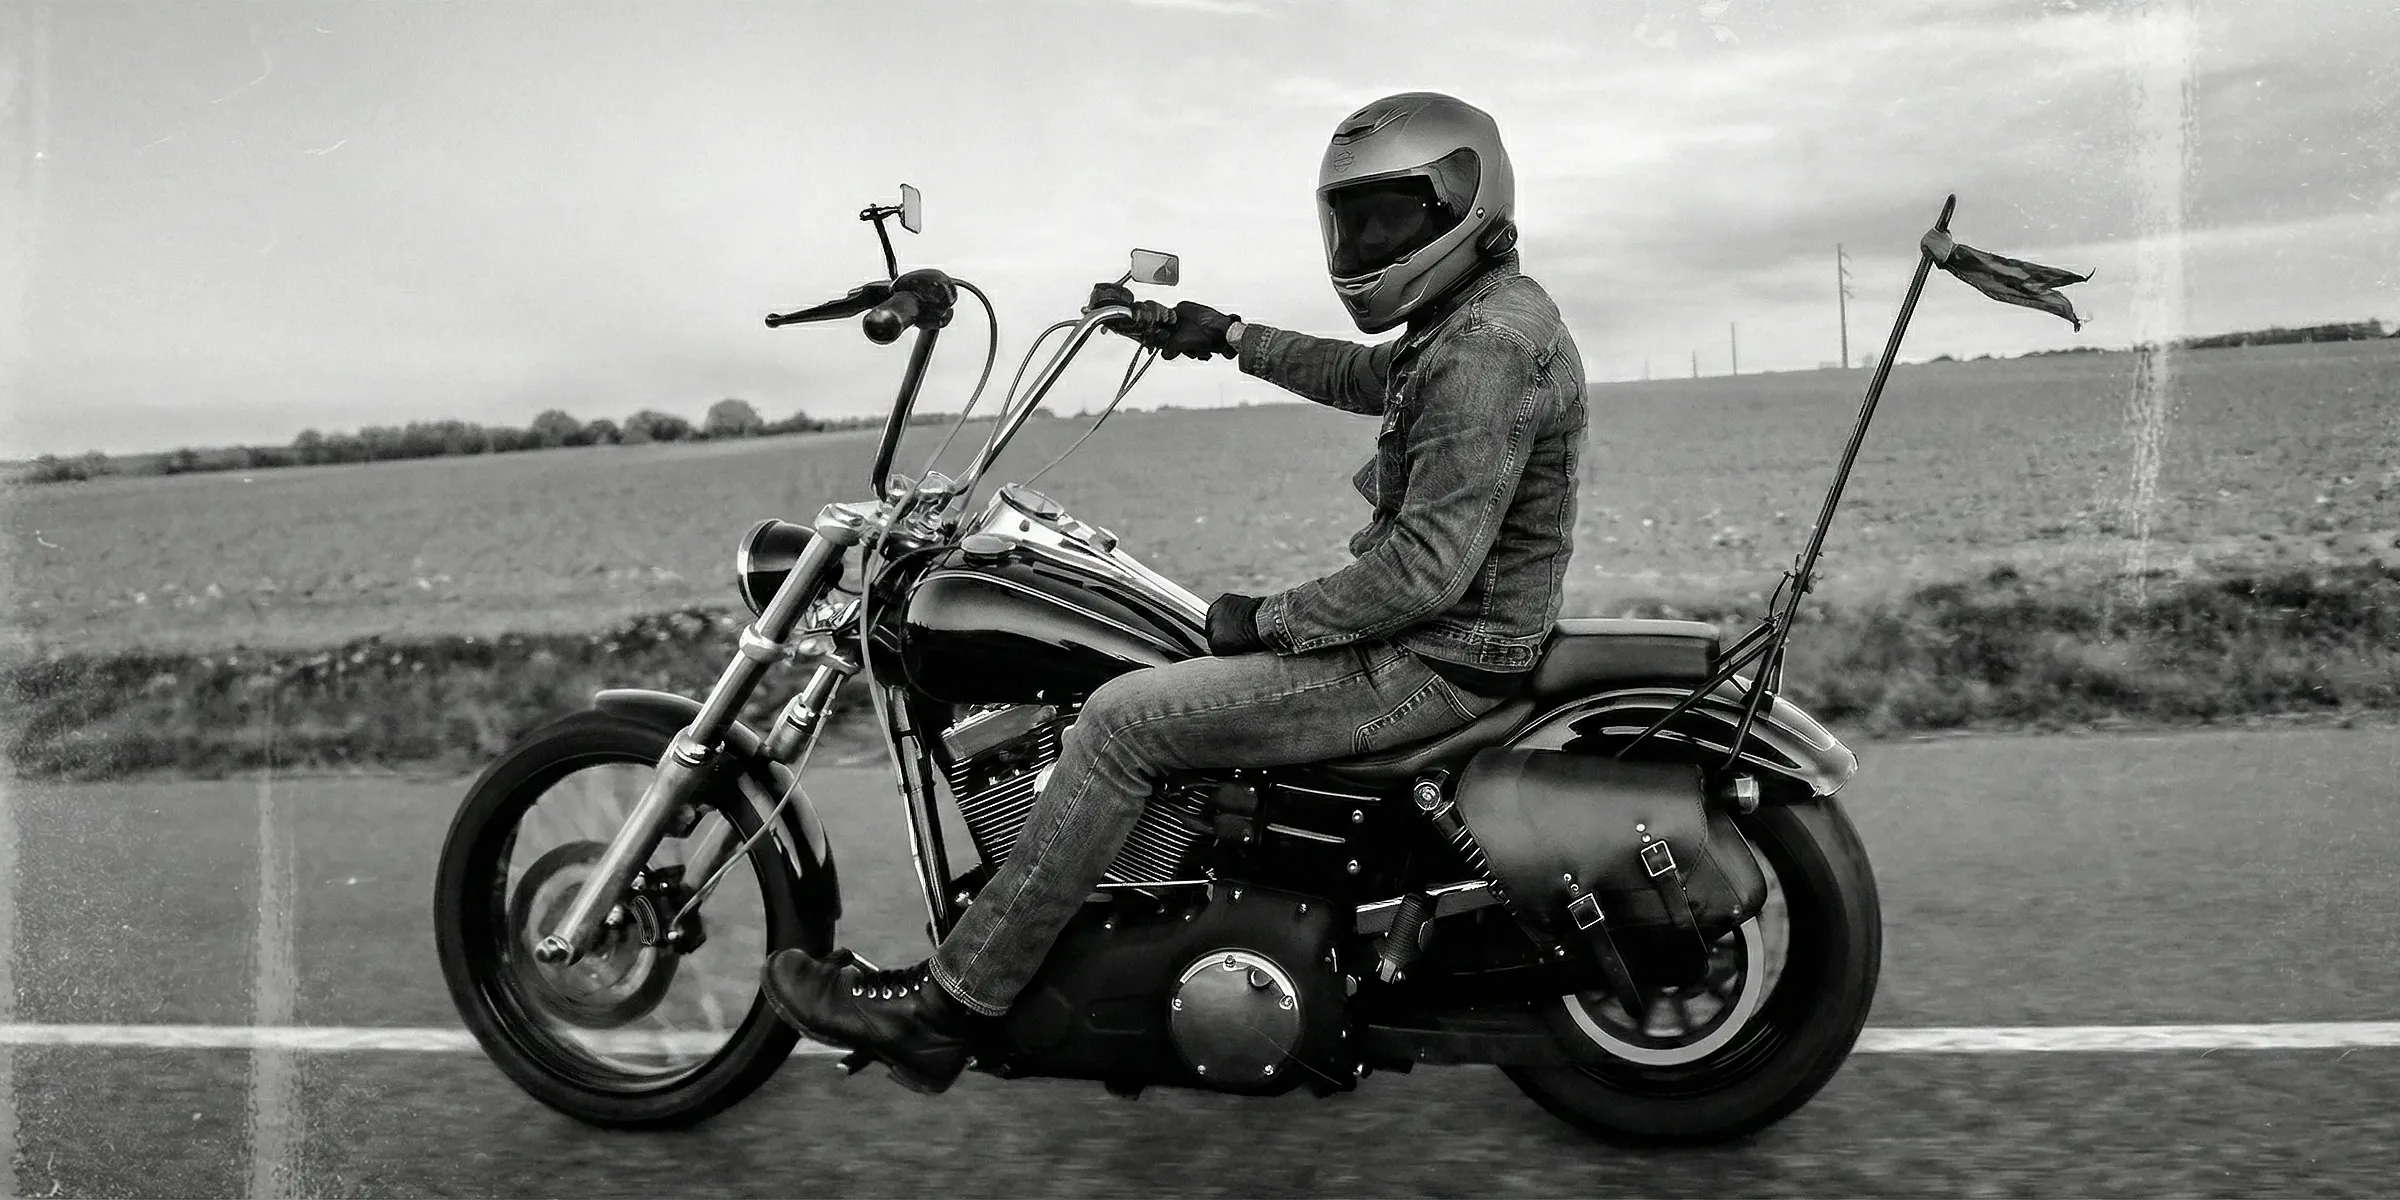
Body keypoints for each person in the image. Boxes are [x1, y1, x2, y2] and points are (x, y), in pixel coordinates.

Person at [761, 91, 1589, 1094]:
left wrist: (1267, 620)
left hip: (1427, 662)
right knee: (1168, 671)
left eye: (1390, 217)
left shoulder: (1490, 344)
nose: (1368, 240)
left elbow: (1426, 571)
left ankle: (949, 1008)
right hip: (1442, 646)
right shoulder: (1474, 322)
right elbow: (1364, 375)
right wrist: (1217, 332)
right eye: (1354, 219)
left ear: (1466, 198)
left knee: (1116, 723)